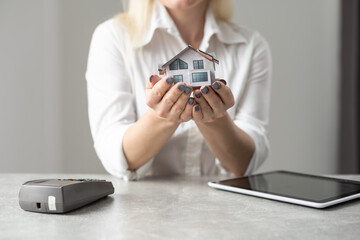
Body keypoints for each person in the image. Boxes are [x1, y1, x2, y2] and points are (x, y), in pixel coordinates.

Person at [86, 0, 271, 181]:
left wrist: (216, 120)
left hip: (224, 206)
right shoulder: (112, 37)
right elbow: (114, 156)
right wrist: (161, 117)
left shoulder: (250, 46)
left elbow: (245, 163)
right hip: (143, 206)